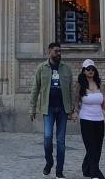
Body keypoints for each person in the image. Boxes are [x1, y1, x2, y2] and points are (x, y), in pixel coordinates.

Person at [30, 42, 75, 179]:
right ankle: (49, 161)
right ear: (49, 52)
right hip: (48, 108)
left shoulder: (66, 68)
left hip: (63, 109)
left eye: (60, 51)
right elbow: (35, 89)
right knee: (48, 137)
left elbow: (71, 89)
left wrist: (71, 109)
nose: (59, 53)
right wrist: (32, 108)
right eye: (56, 51)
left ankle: (59, 171)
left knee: (61, 141)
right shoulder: (41, 68)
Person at [75, 59, 105, 179]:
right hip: (86, 119)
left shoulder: (99, 84)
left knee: (97, 147)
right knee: (91, 147)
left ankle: (86, 168)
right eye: (88, 69)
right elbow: (76, 100)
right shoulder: (80, 85)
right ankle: (95, 173)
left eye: (92, 69)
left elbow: (104, 102)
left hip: (99, 120)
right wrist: (74, 113)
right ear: (84, 71)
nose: (90, 71)